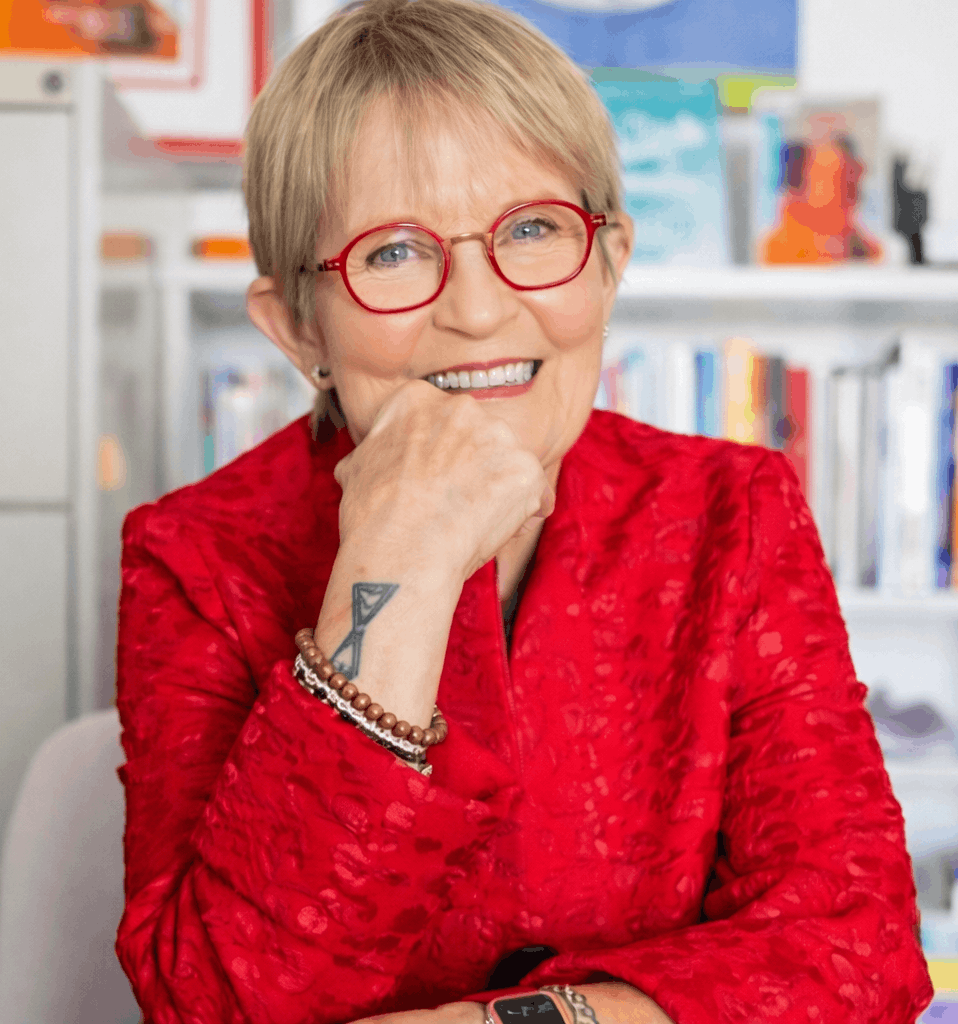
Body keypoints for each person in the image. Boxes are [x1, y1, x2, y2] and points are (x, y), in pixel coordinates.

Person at [113, 0, 934, 1020]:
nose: (479, 308)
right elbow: (216, 1000)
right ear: (295, 326)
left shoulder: (735, 511)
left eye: (533, 229)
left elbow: (859, 950)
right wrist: (399, 564)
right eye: (395, 252)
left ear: (609, 259)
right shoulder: (195, 555)